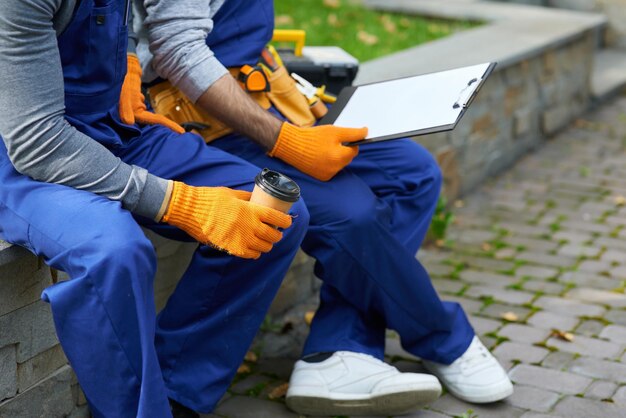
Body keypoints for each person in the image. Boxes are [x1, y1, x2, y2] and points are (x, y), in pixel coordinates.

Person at [132, 0, 514, 416]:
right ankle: (443, 337)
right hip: (211, 125)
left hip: (267, 101)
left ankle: (340, 347)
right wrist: (285, 141)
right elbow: (177, 47)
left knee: (415, 174)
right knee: (351, 213)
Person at [0, 0, 313, 417]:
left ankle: (176, 396)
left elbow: (120, 16)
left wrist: (127, 56)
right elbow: (37, 142)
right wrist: (177, 202)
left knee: (275, 216)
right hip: (26, 153)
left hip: (113, 124)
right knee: (115, 253)